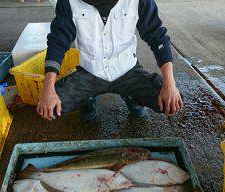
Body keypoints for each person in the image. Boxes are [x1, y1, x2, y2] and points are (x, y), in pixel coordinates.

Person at [37, 0, 183, 121]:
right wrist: (48, 90)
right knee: (51, 109)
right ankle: (89, 96)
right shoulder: (68, 2)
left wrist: (170, 84)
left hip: (128, 71)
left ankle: (131, 94)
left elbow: (157, 37)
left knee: (170, 102)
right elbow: (58, 42)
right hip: (90, 72)